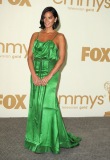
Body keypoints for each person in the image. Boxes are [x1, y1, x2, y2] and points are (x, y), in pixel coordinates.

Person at [24, 6, 81, 154]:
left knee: (47, 106)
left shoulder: (60, 37)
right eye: (44, 17)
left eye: (50, 17)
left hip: (51, 73)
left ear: (55, 19)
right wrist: (34, 75)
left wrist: (49, 76)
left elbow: (61, 59)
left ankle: (48, 141)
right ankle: (35, 138)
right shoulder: (35, 35)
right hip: (36, 72)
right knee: (36, 105)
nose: (47, 20)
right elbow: (29, 56)